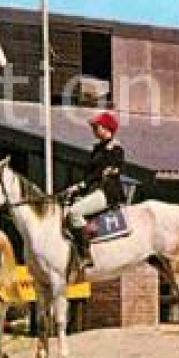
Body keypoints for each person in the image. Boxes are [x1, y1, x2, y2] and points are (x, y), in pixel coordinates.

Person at [65, 112, 126, 268]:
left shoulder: (115, 148)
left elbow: (114, 168)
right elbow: (90, 174)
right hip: (92, 189)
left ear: (107, 128)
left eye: (96, 126)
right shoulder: (98, 148)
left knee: (75, 212)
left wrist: (112, 170)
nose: (93, 129)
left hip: (107, 191)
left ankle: (85, 255)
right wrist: (78, 186)